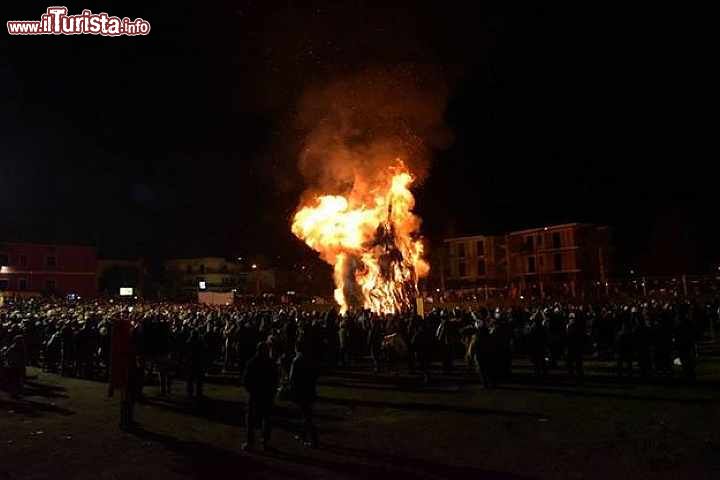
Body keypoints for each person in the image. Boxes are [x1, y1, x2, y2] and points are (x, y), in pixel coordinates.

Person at [242, 342, 278, 451]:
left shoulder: (252, 362)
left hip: (255, 394)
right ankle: (265, 441)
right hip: (267, 394)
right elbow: (275, 379)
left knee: (250, 419)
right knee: (266, 418)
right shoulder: (271, 363)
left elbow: (246, 380)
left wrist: (251, 390)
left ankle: (250, 442)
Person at [289, 341, 319, 448]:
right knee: (306, 413)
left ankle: (314, 439)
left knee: (307, 415)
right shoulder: (310, 359)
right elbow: (315, 374)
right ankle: (303, 435)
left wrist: (292, 389)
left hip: (301, 390)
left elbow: (292, 378)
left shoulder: (296, 360)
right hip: (310, 389)